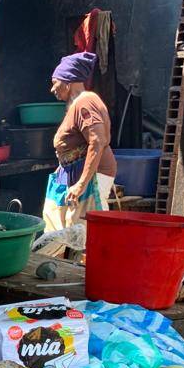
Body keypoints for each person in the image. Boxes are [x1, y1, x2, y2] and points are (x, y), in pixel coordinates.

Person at [42, 51, 117, 250]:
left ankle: (86, 272)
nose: (52, 89)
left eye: (55, 82)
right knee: (63, 228)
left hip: (89, 177)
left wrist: (81, 184)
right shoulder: (77, 104)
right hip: (71, 173)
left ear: (68, 81)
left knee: (84, 230)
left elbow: (97, 141)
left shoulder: (86, 101)